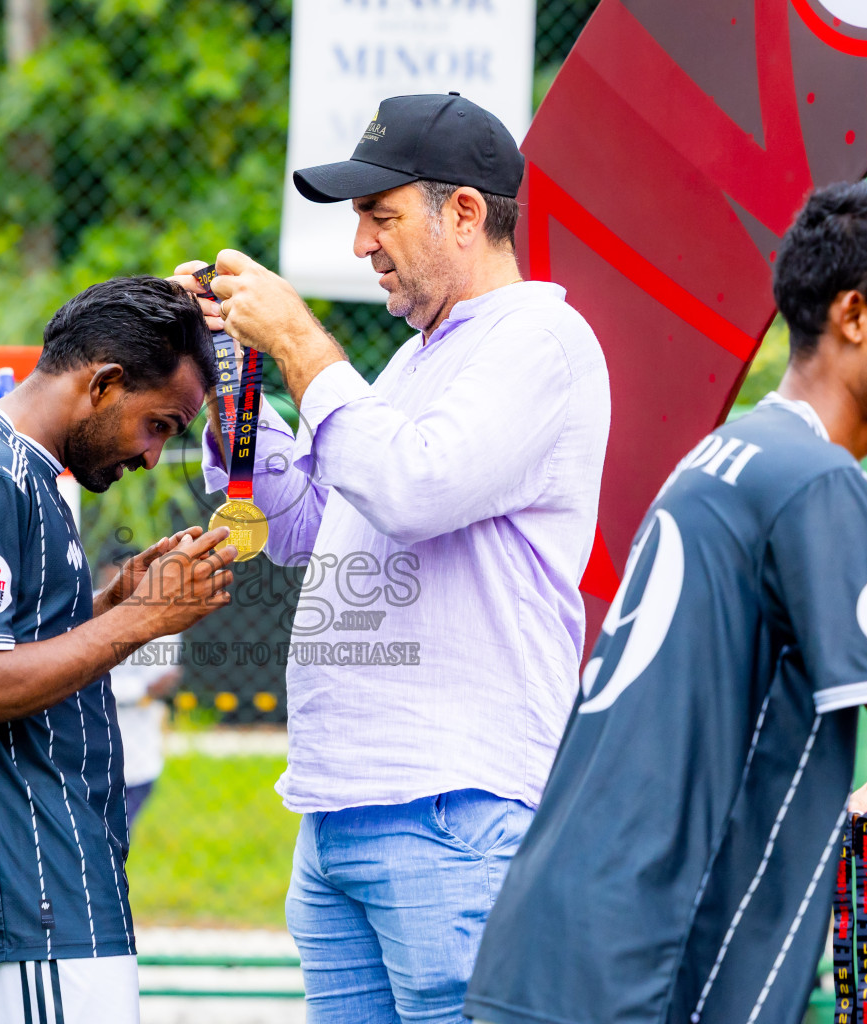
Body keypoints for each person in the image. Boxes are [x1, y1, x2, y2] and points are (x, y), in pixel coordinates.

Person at [464, 182, 867, 1024]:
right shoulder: (818, 482)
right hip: (648, 968)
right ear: (853, 316)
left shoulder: (729, 454)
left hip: (557, 949)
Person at [174, 92, 610, 1023]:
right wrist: (225, 375)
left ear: (464, 212)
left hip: (452, 808)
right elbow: (302, 526)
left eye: (382, 214)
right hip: (342, 813)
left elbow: (414, 488)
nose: (362, 244)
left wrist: (295, 338)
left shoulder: (542, 340)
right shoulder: (419, 361)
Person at [0, 276, 238, 1024]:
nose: (155, 457)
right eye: (158, 425)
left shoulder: (18, 467)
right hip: (21, 899)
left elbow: (10, 644)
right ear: (104, 383)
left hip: (39, 896)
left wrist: (115, 602)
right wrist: (139, 623)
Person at [100, 561, 182, 824]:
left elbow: (163, 682)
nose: (121, 600)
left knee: (117, 835)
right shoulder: (86, 610)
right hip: (90, 753)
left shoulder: (162, 615)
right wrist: (141, 689)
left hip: (139, 758)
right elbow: (73, 677)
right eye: (113, 590)